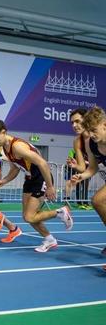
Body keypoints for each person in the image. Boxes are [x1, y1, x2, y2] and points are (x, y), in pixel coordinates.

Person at [0, 119, 73, 252]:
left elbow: (43, 163)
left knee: (29, 216)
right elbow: (15, 169)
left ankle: (60, 212)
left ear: (3, 132)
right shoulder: (5, 147)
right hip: (30, 179)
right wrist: (4, 181)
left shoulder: (17, 146)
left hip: (41, 177)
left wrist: (49, 187)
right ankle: (49, 240)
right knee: (27, 216)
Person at [71, 106, 106, 266]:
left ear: (104, 125)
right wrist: (80, 176)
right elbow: (92, 168)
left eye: (94, 130)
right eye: (89, 130)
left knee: (98, 199)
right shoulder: (90, 143)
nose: (92, 134)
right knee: (97, 201)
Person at [67, 108, 92, 209]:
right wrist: (75, 165)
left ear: (86, 119)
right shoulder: (77, 141)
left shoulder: (100, 134)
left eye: (77, 121)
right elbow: (82, 168)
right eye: (72, 122)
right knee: (98, 201)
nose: (74, 125)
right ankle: (81, 202)